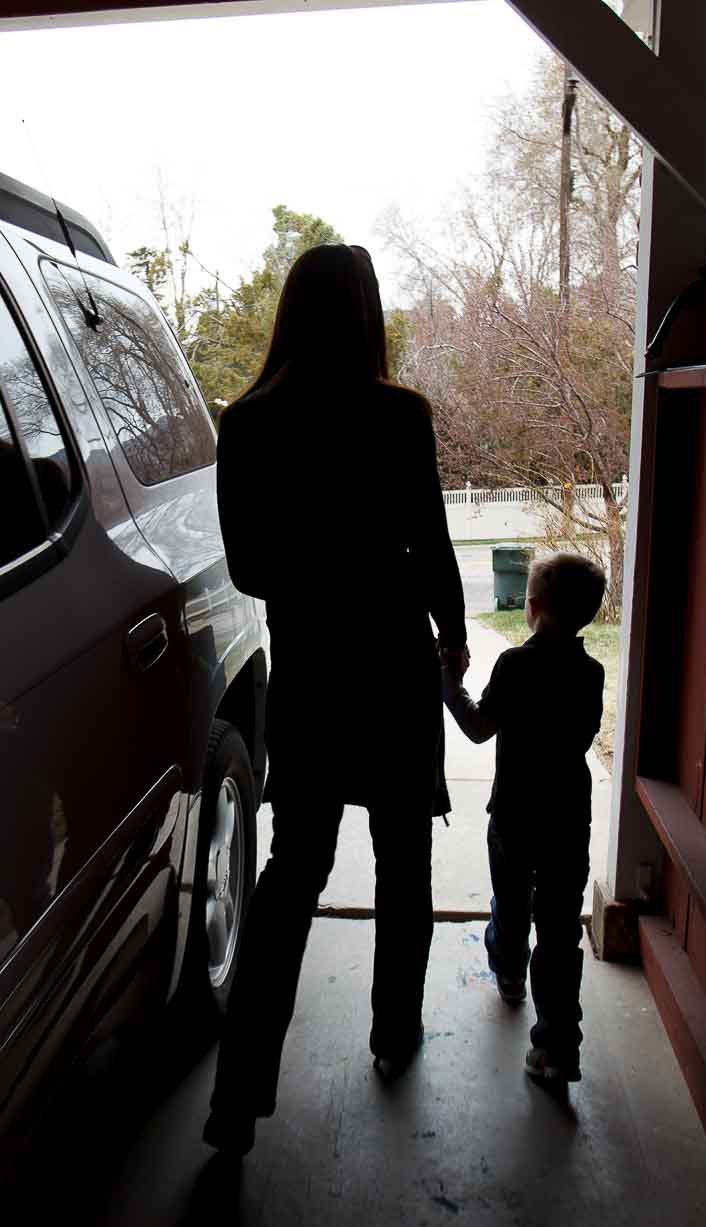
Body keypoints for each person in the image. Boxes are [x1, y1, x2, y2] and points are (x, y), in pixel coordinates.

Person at [203, 244, 468, 1156]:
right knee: (405, 861)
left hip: (312, 670)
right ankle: (395, 1033)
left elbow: (249, 567)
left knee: (292, 875)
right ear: (367, 314)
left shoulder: (246, 425)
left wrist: (318, 579)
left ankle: (237, 1096)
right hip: (394, 667)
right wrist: (454, 637)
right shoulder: (400, 417)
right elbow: (431, 545)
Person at [441, 552, 606, 1087]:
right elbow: (580, 738)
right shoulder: (591, 673)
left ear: (530, 608)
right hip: (568, 817)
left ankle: (509, 973)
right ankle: (559, 1048)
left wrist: (450, 683)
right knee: (560, 928)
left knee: (511, 901)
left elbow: (479, 727)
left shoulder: (514, 666)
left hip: (515, 813)